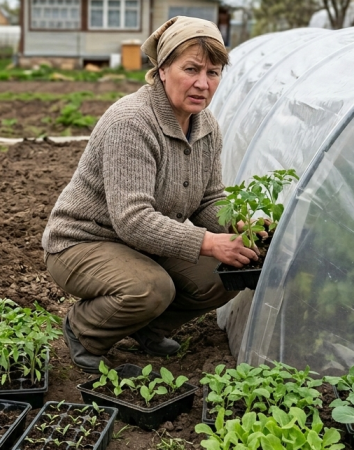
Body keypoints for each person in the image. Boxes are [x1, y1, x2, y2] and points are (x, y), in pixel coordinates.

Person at [41, 16, 259, 373]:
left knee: (226, 273)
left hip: (144, 242)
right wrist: (210, 242)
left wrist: (240, 223)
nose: (202, 84)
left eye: (213, 73)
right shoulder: (132, 122)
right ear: (162, 69)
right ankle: (84, 330)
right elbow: (133, 219)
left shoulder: (206, 126)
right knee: (151, 288)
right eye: (191, 69)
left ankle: (148, 329)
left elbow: (209, 199)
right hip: (83, 242)